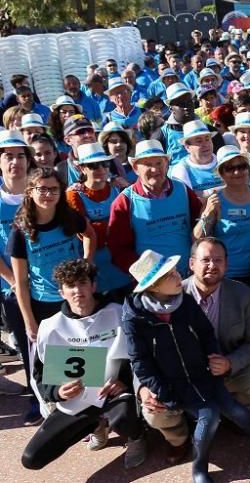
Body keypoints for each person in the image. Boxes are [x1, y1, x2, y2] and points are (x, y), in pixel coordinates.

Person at [122, 250, 250, 481]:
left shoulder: (184, 301)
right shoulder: (134, 318)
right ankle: (199, 470)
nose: (179, 277)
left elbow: (207, 334)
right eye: (170, 276)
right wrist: (163, 393)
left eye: (177, 272)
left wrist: (214, 359)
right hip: (174, 386)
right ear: (155, 287)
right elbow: (140, 361)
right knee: (209, 416)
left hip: (204, 376)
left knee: (239, 412)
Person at [21, 259, 146, 471]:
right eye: (70, 285)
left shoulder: (118, 313)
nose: (77, 290)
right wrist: (58, 391)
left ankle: (137, 437)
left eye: (82, 283)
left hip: (114, 393)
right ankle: (96, 424)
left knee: (124, 416)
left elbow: (142, 355)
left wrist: (125, 382)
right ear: (61, 292)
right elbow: (40, 378)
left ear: (93, 286)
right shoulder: (50, 327)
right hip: (77, 400)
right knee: (31, 459)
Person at [11, 168, 96, 349]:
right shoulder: (20, 231)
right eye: (42, 189)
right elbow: (21, 283)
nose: (48, 194)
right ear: (30, 191)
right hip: (44, 304)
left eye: (54, 189)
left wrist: (87, 262)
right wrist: (30, 322)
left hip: (76, 299)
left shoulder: (69, 217)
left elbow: (90, 234)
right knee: (57, 365)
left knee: (86, 354)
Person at [107, 140, 201, 274]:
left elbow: (199, 227)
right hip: (153, 283)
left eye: (159, 163)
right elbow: (119, 249)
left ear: (167, 164)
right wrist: (148, 275)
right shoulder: (125, 201)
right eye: (147, 164)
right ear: (135, 168)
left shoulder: (183, 190)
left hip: (189, 275)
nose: (155, 169)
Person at [195, 146, 250, 287]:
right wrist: (207, 213)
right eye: (230, 168)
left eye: (242, 166)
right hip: (228, 276)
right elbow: (197, 239)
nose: (237, 172)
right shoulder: (215, 200)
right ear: (221, 173)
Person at [65, 143, 132, 300]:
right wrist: (114, 225)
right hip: (98, 269)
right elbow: (85, 234)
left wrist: (97, 225)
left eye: (105, 163)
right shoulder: (74, 195)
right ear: (82, 169)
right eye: (94, 166)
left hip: (123, 265)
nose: (101, 169)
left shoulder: (117, 188)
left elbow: (130, 225)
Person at [0, 131, 34, 408]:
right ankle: (38, 395)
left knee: (63, 340)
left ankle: (73, 403)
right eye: (8, 156)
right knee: (27, 342)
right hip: (13, 288)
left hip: (48, 284)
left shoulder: (40, 191)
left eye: (21, 156)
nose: (15, 162)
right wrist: (14, 281)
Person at [169, 120, 224, 197]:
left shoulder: (224, 160)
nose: (205, 144)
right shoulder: (181, 169)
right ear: (187, 147)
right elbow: (186, 198)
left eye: (207, 139)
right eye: (199, 141)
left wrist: (202, 193)